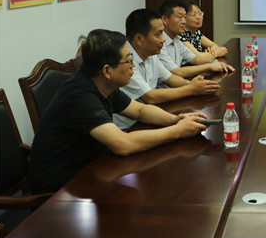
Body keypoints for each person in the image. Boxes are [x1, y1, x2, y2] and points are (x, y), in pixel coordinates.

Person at [29, 29, 211, 194]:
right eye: (128, 60)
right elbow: (123, 144)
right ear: (107, 70)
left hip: (92, 166)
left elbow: (140, 110)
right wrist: (178, 131)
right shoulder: (80, 96)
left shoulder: (101, 83)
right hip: (62, 188)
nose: (133, 65)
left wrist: (176, 120)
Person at [113, 8, 221, 130]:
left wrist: (196, 85)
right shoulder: (125, 61)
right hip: (127, 128)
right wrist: (190, 89)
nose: (163, 39)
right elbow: (150, 97)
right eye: (158, 34)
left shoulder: (151, 55)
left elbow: (170, 78)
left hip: (148, 117)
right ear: (139, 39)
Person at [157, 0, 234, 78]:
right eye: (180, 17)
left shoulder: (176, 40)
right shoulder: (158, 42)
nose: (184, 21)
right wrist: (210, 65)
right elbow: (176, 72)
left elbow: (196, 59)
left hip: (179, 83)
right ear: (165, 20)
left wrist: (216, 63)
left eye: (185, 17)